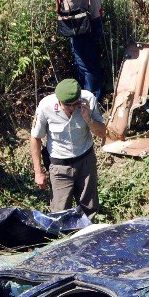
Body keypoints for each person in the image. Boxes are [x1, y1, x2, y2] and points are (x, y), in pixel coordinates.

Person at [30, 78, 106, 217]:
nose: (72, 108)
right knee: (60, 213)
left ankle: (87, 236)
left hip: (85, 163)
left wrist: (88, 119)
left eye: (75, 104)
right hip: (60, 167)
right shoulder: (45, 106)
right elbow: (35, 138)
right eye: (68, 105)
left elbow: (103, 133)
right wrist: (38, 171)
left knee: (89, 209)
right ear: (59, 100)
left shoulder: (88, 99)